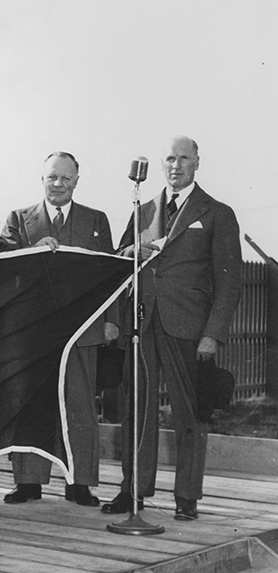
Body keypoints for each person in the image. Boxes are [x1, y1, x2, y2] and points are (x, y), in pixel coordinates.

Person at [103, 136, 242, 521]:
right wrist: (132, 252)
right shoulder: (143, 209)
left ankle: (186, 496)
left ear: (197, 162)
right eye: (169, 158)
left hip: (190, 327)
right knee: (137, 410)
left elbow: (229, 282)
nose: (175, 165)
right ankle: (134, 491)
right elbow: (119, 262)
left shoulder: (216, 212)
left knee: (190, 414)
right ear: (161, 165)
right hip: (143, 321)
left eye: (184, 158)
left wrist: (213, 332)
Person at [0, 151, 119, 508]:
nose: (58, 184)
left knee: (80, 407)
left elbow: (109, 272)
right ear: (42, 178)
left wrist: (111, 318)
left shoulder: (96, 220)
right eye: (52, 177)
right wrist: (29, 252)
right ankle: (28, 482)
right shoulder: (19, 219)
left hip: (83, 328)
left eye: (66, 178)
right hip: (33, 330)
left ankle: (79, 483)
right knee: (31, 403)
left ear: (77, 181)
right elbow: (3, 270)